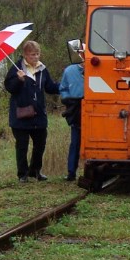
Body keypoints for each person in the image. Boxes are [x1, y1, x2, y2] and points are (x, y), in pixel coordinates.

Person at [3, 40, 60, 182]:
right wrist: (18, 80)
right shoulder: (16, 68)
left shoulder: (42, 69)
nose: (35, 57)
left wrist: (65, 85)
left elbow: (50, 87)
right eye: (32, 55)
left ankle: (35, 171)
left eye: (37, 54)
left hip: (39, 115)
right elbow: (9, 88)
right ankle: (22, 174)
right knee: (22, 146)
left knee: (40, 144)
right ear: (25, 55)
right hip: (21, 115)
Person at [58, 48, 85, 182]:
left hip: (96, 106)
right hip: (76, 108)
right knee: (75, 141)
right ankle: (71, 172)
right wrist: (68, 100)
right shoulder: (70, 71)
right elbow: (63, 88)